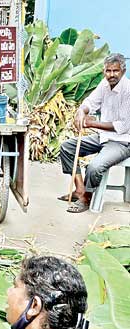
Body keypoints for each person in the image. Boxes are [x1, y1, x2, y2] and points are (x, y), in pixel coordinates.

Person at [59, 53, 130, 213]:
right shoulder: (104, 85)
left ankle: (86, 198)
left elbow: (123, 126)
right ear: (104, 71)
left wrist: (92, 123)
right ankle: (79, 190)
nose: (111, 75)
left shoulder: (128, 90)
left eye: (115, 71)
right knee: (67, 148)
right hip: (103, 137)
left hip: (123, 141)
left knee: (94, 167)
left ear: (123, 71)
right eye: (108, 71)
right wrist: (81, 112)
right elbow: (90, 103)